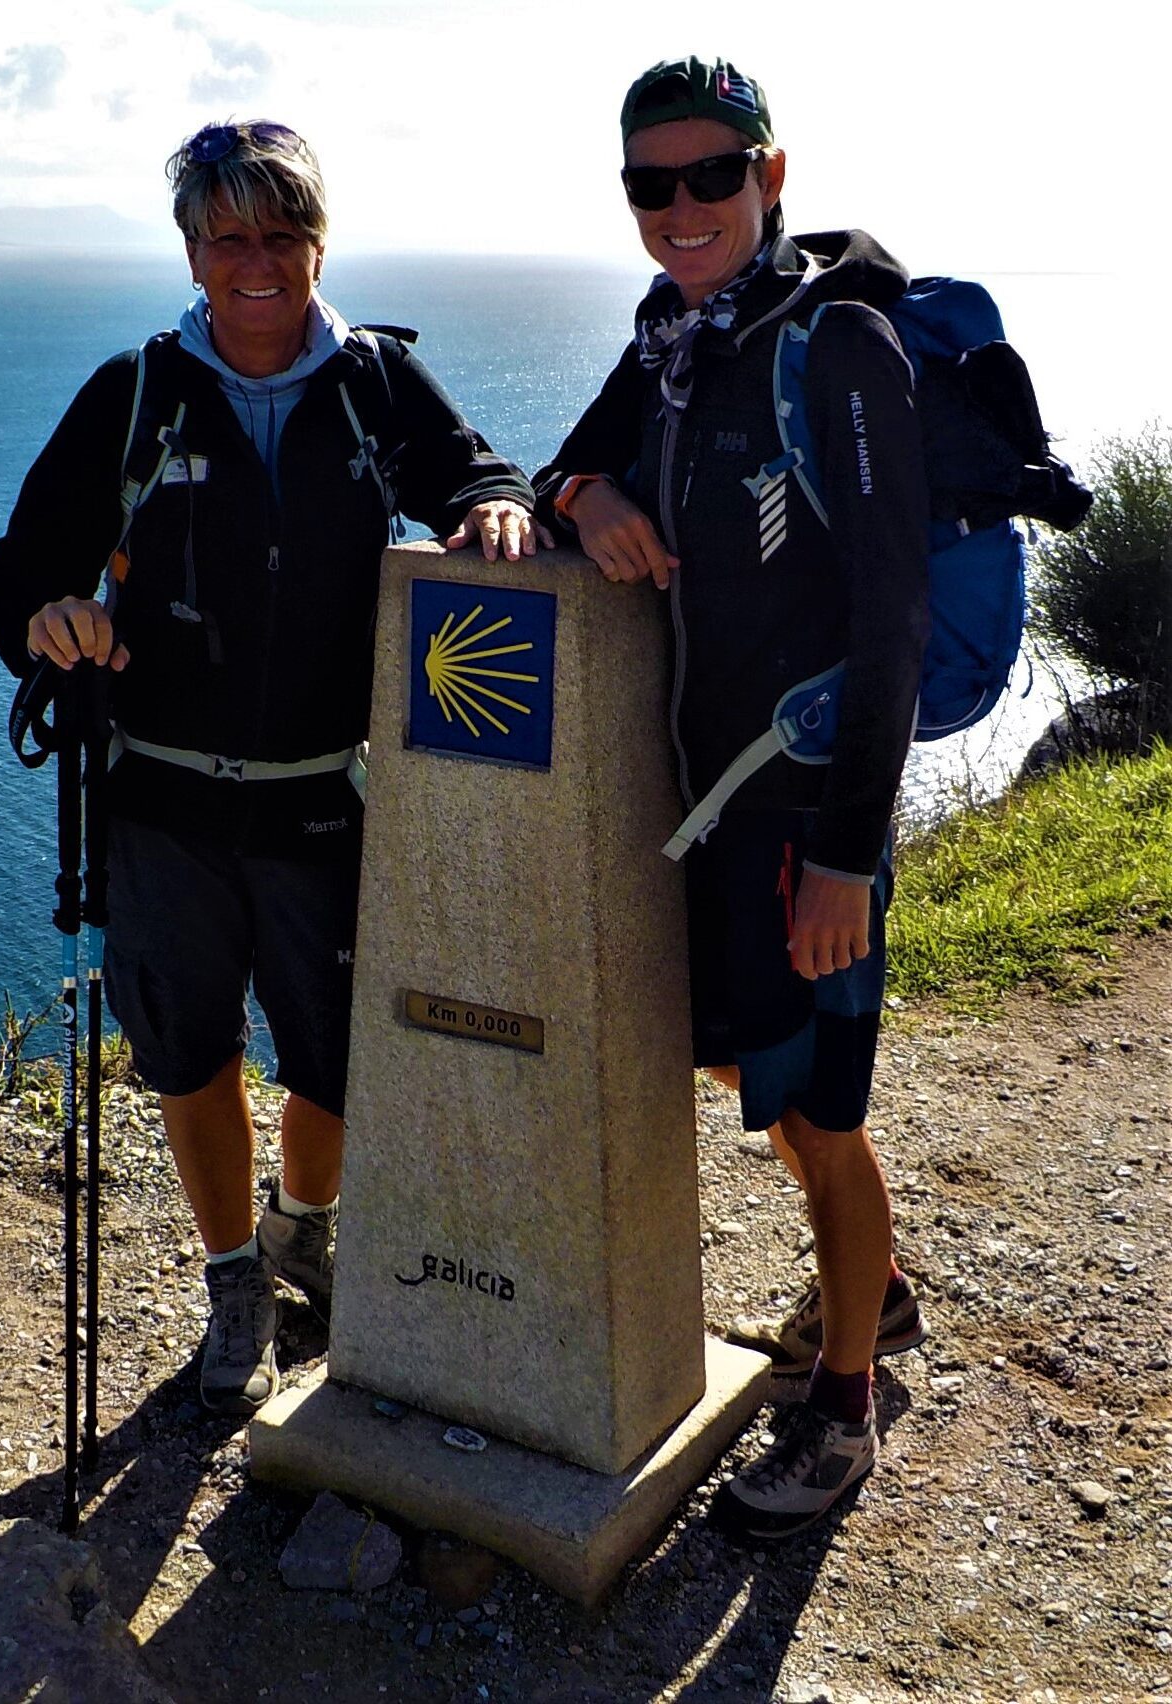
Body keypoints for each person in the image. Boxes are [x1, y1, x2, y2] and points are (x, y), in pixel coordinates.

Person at [0, 119, 547, 1419]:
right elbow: (21, 568)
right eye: (229, 235)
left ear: (316, 243)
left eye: (281, 233)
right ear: (192, 248)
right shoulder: (134, 393)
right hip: (165, 797)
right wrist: (48, 620)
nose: (256, 261)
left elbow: (475, 473)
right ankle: (236, 1279)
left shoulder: (373, 382)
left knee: (336, 1058)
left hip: (321, 795)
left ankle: (305, 1226)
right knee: (190, 1059)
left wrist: (495, 507)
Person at [535, 56, 929, 1537]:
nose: (682, 206)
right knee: (751, 1074)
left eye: (713, 174)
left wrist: (847, 858)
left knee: (822, 1116)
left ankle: (843, 1409)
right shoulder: (677, 340)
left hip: (802, 817)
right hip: (709, 812)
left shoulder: (838, 345)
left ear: (774, 174)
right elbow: (562, 462)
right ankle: (870, 1298)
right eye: (652, 183)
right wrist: (588, 501)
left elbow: (889, 615)